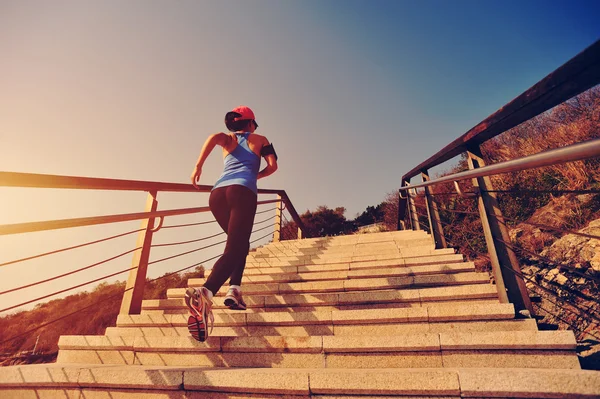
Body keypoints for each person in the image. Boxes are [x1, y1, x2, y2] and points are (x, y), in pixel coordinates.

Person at [186, 105, 278, 342]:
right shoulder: (260, 139)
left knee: (239, 245)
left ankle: (234, 290)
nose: (255, 128)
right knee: (236, 247)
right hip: (242, 193)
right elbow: (273, 166)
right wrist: (257, 175)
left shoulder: (227, 140)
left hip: (217, 194)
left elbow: (212, 137)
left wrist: (198, 166)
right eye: (254, 123)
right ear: (249, 123)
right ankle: (205, 293)